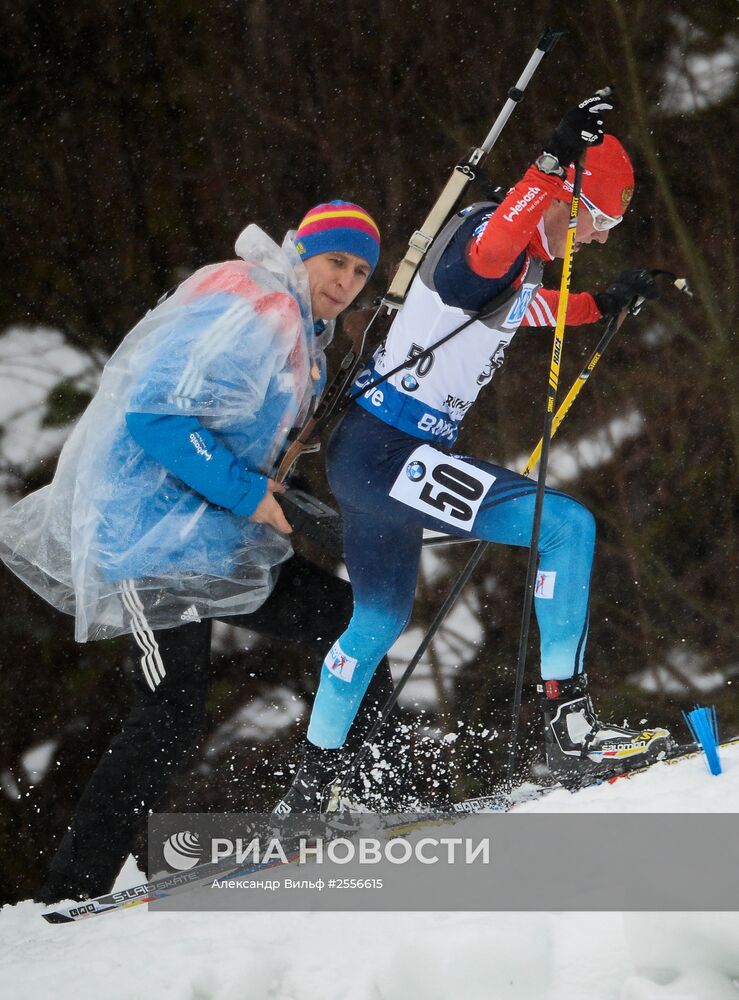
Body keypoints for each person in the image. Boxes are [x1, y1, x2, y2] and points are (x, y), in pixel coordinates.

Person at [276, 95, 674, 813]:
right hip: (390, 452)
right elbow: (478, 269)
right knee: (566, 526)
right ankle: (570, 728)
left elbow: (512, 308)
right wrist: (547, 167)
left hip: (368, 456)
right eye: (598, 220)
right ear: (563, 200)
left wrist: (598, 304)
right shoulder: (494, 235)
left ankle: (311, 787)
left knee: (376, 621)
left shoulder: (513, 254)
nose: (600, 238)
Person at [0, 200, 395, 903]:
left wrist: (288, 491)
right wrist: (252, 497)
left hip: (211, 536)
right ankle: (73, 889)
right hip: (146, 542)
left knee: (351, 622)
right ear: (302, 251)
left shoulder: (305, 330)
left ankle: (367, 795)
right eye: (337, 260)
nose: (347, 280)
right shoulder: (252, 306)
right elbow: (155, 416)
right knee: (170, 712)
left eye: (361, 270)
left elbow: (241, 432)